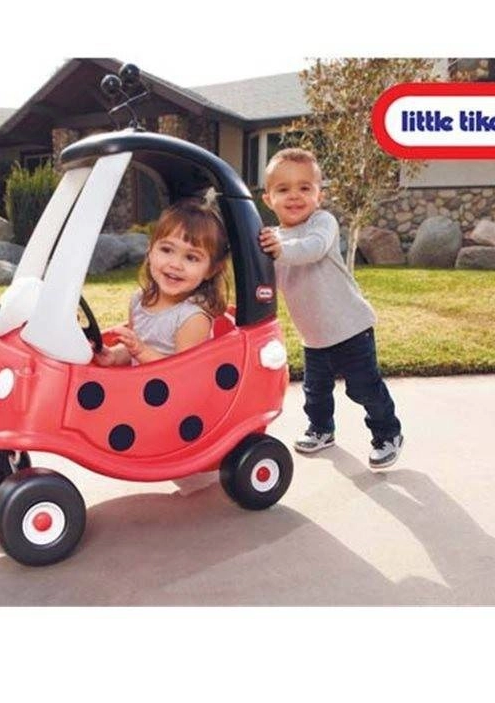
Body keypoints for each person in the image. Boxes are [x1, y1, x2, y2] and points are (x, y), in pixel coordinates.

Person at [258, 148, 404, 469]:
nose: (294, 195)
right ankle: (322, 429)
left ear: (319, 195)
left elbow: (311, 249)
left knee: (364, 388)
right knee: (315, 392)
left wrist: (278, 250)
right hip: (314, 335)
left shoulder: (323, 223)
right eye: (283, 189)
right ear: (268, 199)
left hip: (351, 328)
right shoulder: (272, 240)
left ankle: (387, 433)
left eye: (305, 187)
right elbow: (268, 280)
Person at [93, 196, 230, 367]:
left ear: (211, 270)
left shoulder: (193, 318)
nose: (175, 264)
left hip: (177, 384)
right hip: (141, 382)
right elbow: (132, 350)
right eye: (166, 250)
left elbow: (184, 372)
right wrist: (113, 356)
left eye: (191, 257)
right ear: (150, 251)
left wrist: (141, 351)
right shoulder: (139, 300)